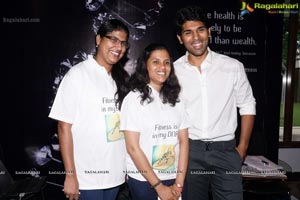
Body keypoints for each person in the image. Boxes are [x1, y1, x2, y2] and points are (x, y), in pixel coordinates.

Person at [174, 6, 256, 200]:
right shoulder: (173, 71)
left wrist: (242, 149)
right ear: (180, 38)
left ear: (209, 32)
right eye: (188, 32)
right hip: (189, 152)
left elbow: (247, 105)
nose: (196, 37)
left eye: (200, 30)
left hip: (226, 152)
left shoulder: (232, 67)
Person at [49, 19, 130, 200]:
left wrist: (124, 167)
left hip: (115, 176)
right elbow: (63, 127)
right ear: (98, 39)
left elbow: (122, 129)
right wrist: (70, 175)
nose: (119, 46)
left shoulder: (120, 79)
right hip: (86, 179)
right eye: (113, 39)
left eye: (123, 43)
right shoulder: (77, 75)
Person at [120, 43, 189, 200]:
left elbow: (183, 141)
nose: (162, 67)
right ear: (146, 66)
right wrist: (158, 186)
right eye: (156, 62)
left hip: (174, 178)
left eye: (166, 62)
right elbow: (132, 148)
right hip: (144, 180)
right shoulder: (134, 99)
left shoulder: (177, 99)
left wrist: (179, 182)